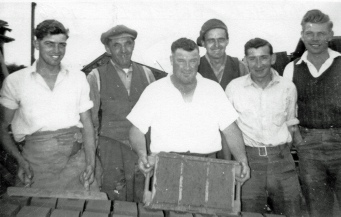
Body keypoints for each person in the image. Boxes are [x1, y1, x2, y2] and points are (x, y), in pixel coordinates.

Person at [127, 37, 250, 185]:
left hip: (208, 167)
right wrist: (142, 155)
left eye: (192, 61)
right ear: (171, 60)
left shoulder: (213, 89)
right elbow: (136, 130)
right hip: (165, 167)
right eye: (181, 61)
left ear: (199, 60)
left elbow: (230, 129)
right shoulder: (154, 90)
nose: (187, 67)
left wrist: (243, 161)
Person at [0, 20, 98, 191]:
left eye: (62, 45)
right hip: (36, 165)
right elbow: (2, 127)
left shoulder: (78, 78)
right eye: (49, 44)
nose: (57, 51)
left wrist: (91, 162)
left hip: (76, 162)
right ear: (36, 44)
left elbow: (88, 125)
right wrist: (20, 160)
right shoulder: (15, 81)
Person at [226, 38, 303, 216]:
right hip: (249, 160)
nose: (258, 64)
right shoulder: (234, 88)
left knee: (291, 212)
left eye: (263, 58)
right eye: (252, 59)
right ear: (244, 61)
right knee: (249, 212)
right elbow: (230, 130)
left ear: (273, 58)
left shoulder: (287, 87)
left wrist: (281, 151)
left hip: (282, 161)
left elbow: (291, 123)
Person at [283, 9, 341, 216]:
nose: (315, 39)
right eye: (310, 33)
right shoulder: (291, 68)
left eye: (320, 33)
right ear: (302, 35)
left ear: (330, 35)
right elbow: (288, 110)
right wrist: (298, 139)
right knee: (317, 208)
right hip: (309, 145)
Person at [87, 25, 155, 201]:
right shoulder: (96, 76)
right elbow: (91, 122)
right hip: (111, 148)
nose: (123, 50)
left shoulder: (147, 74)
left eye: (128, 44)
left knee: (143, 197)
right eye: (117, 45)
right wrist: (93, 158)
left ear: (133, 46)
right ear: (108, 49)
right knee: (114, 198)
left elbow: (156, 119)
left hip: (141, 148)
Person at [197, 18, 249, 160]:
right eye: (210, 40)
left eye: (221, 39)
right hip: (204, 136)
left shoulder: (239, 66)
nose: (216, 45)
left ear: (227, 41)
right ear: (203, 42)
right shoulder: (195, 67)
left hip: (235, 134)